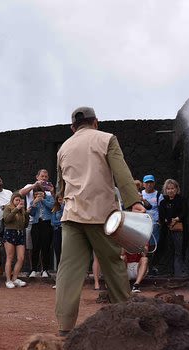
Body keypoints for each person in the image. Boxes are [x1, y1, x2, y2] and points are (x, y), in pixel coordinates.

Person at [55, 106, 144, 336]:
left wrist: (62, 200)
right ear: (96, 122)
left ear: (73, 128)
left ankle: (65, 328)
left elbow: (60, 186)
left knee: (68, 271)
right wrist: (133, 201)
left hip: (71, 216)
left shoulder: (64, 147)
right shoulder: (107, 139)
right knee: (113, 265)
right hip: (102, 216)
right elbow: (121, 172)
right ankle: (125, 321)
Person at [158, 178, 189, 278]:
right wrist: (168, 221)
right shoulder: (163, 202)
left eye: (172, 188)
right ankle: (170, 272)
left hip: (179, 229)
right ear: (165, 190)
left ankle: (179, 273)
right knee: (169, 250)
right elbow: (162, 216)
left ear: (176, 189)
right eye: (168, 189)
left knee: (178, 251)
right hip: (166, 230)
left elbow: (184, 212)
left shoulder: (181, 200)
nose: (170, 190)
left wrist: (176, 219)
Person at [2, 193, 29, 288]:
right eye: (16, 200)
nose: (19, 202)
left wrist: (26, 213)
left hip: (20, 233)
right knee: (10, 257)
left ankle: (15, 278)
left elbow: (25, 225)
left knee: (21, 257)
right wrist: (16, 209)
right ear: (12, 200)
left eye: (20, 200)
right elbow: (7, 219)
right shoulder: (8, 208)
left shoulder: (22, 210)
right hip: (10, 232)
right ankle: (8, 280)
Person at [141, 174, 162, 267]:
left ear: (154, 183)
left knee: (154, 245)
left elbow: (161, 209)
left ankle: (152, 265)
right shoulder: (140, 194)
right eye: (147, 183)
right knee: (143, 244)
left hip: (154, 223)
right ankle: (144, 264)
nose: (149, 184)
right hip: (142, 223)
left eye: (151, 182)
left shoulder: (158, 195)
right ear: (143, 184)